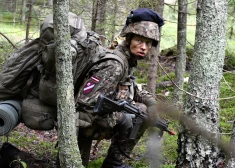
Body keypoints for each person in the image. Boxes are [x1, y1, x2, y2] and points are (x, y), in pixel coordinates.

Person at [75, 8, 164, 168]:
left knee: (142, 110)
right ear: (129, 39)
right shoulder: (115, 64)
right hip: (83, 122)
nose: (144, 47)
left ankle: (114, 162)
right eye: (139, 40)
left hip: (95, 117)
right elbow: (86, 104)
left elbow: (133, 88)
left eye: (148, 43)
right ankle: (114, 163)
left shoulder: (126, 60)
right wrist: (122, 119)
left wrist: (152, 103)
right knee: (136, 116)